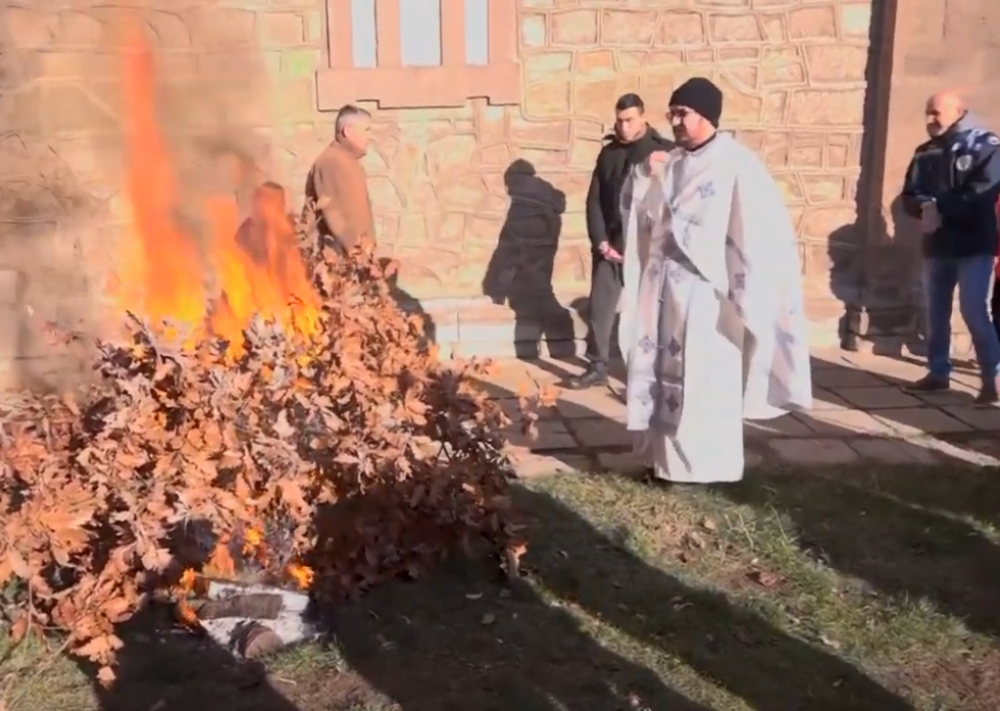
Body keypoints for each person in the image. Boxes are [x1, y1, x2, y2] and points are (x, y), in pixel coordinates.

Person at [623, 77, 812, 484]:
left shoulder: (736, 163)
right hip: (665, 292)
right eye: (671, 112)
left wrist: (746, 290)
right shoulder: (670, 162)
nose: (674, 120)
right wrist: (641, 175)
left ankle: (706, 468)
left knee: (704, 379)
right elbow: (645, 215)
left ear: (705, 114)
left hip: (708, 296)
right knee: (665, 373)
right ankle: (665, 465)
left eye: (682, 113)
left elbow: (760, 231)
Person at [567, 93, 674, 389]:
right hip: (611, 246)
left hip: (647, 247)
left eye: (629, 120)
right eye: (619, 120)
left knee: (651, 312)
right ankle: (597, 366)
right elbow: (594, 201)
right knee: (600, 308)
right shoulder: (608, 153)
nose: (623, 126)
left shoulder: (664, 151)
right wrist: (601, 241)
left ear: (642, 117)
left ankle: (652, 373)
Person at [900, 91, 1000, 404]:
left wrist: (937, 207)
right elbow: (909, 194)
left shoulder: (985, 145)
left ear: (959, 112)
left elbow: (983, 192)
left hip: (974, 245)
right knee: (935, 313)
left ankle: (992, 379)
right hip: (937, 246)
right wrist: (921, 207)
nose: (930, 120)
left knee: (974, 311)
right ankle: (938, 373)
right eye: (928, 113)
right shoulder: (924, 152)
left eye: (937, 113)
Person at [302, 104, 377, 257]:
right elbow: (335, 214)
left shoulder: (347, 161)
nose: (370, 137)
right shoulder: (332, 162)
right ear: (347, 131)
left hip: (355, 257)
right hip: (339, 261)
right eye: (366, 130)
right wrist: (357, 252)